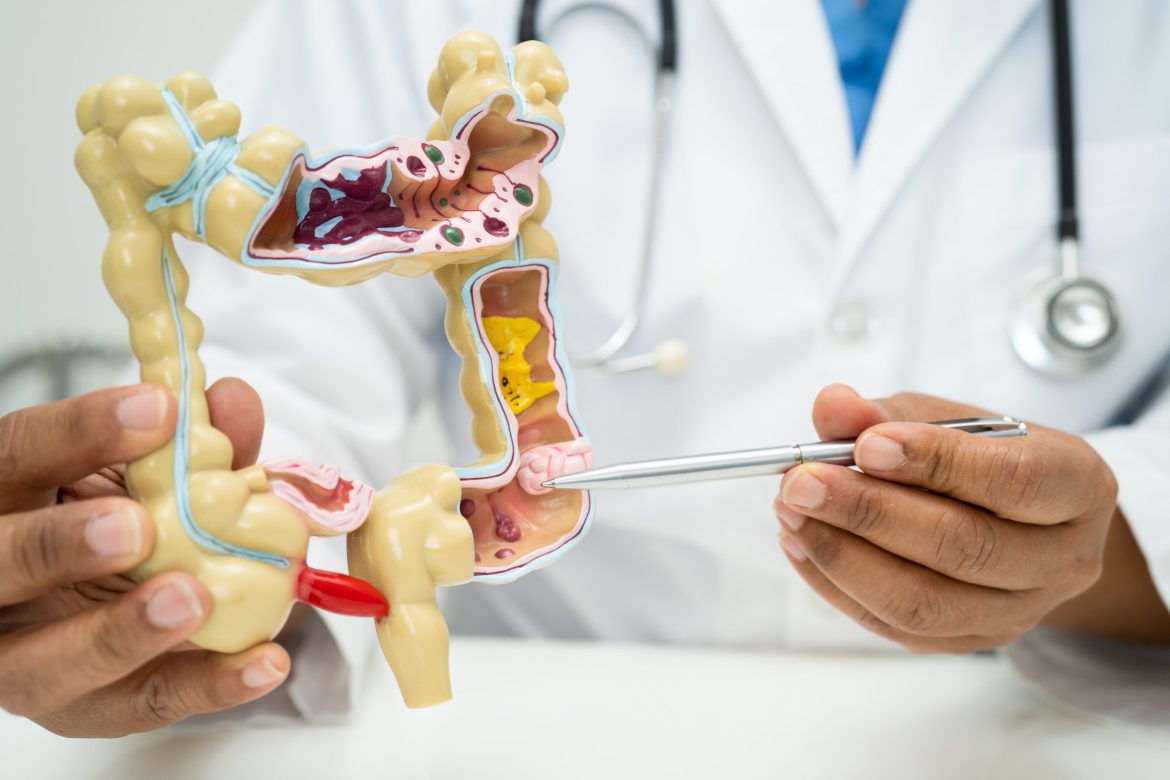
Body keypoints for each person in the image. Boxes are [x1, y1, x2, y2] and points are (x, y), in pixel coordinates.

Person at [4, 0, 1170, 734]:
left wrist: (1119, 546)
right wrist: (162, 557)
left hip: (1041, 731)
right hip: (550, 734)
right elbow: (276, 379)